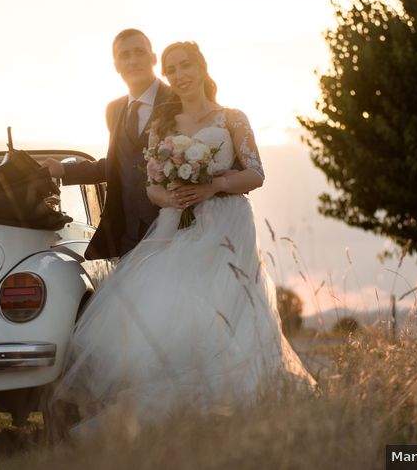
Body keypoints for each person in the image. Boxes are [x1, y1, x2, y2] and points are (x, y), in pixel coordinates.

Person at [52, 41, 317, 433]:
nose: (180, 75)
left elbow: (256, 173)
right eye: (173, 69)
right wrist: (172, 194)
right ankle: (186, 410)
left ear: (202, 67)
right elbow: (151, 189)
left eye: (186, 66)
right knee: (170, 311)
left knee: (227, 311)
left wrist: (212, 185)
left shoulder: (232, 118)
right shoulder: (165, 125)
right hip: (175, 225)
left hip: (227, 224)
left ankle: (244, 403)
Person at [42, 29, 175, 259]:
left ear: (153, 58)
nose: (132, 61)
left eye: (139, 52)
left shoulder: (178, 101)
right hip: (127, 237)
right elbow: (118, 165)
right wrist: (64, 170)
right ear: (116, 65)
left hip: (174, 233)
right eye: (125, 55)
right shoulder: (113, 110)